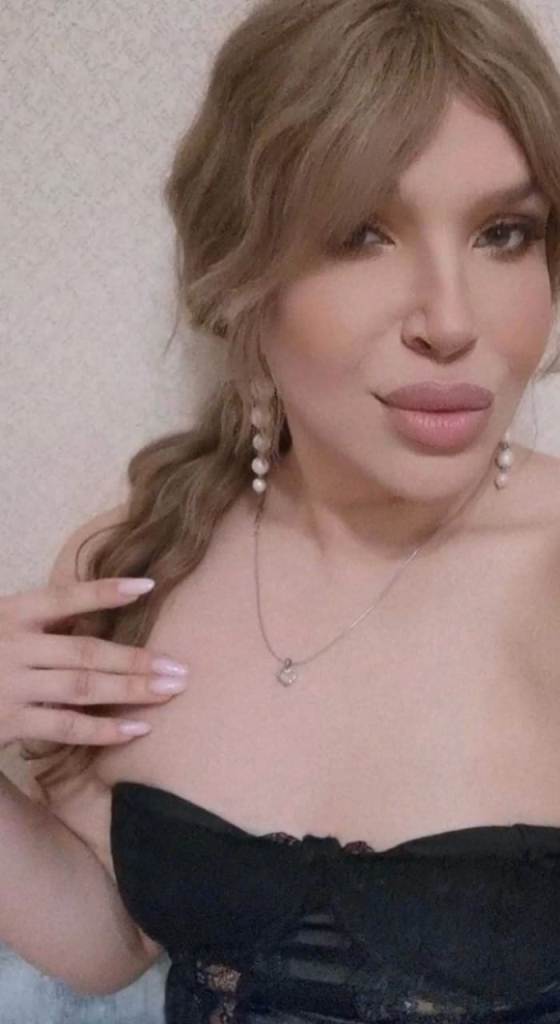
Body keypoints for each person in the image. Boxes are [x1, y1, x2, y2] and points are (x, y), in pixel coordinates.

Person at [4, 0, 560, 1019]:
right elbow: (111, 941)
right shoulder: (140, 558)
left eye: (503, 233)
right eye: (362, 233)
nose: (449, 319)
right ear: (242, 276)